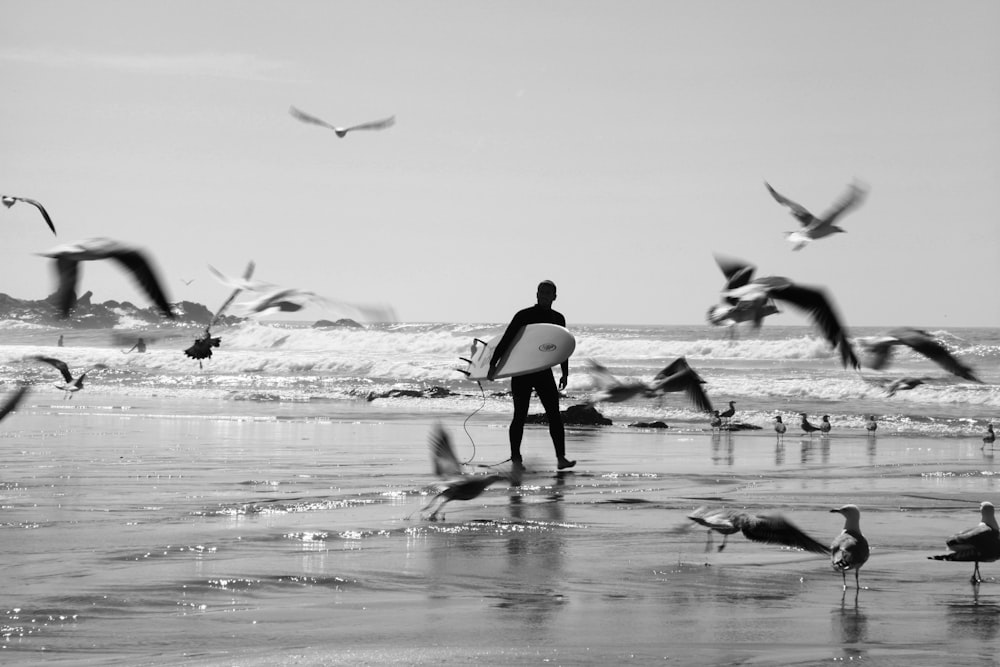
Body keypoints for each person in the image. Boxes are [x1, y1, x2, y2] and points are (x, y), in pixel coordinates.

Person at [488, 280, 575, 471]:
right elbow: (507, 339)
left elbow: (562, 347)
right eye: (541, 292)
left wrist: (565, 372)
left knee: (554, 415)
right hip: (522, 372)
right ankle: (516, 458)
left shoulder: (558, 319)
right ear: (536, 294)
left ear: (554, 296)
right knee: (519, 415)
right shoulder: (524, 315)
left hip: (544, 372)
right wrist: (493, 363)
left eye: (548, 292)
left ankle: (561, 458)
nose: (544, 295)